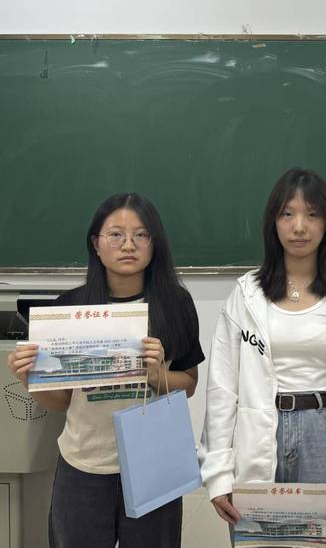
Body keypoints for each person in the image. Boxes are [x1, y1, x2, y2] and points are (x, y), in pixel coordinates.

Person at [199, 168, 326, 547]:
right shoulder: (246, 295)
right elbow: (222, 389)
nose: (299, 226)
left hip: (323, 436)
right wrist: (217, 474)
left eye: (312, 214)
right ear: (274, 221)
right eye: (288, 214)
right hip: (259, 431)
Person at [6, 193, 204, 548]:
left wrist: (156, 375)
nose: (128, 244)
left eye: (141, 235)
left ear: (154, 244)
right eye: (115, 234)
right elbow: (61, 401)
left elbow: (188, 384)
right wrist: (30, 379)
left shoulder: (175, 304)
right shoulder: (69, 308)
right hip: (83, 466)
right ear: (96, 244)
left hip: (153, 465)